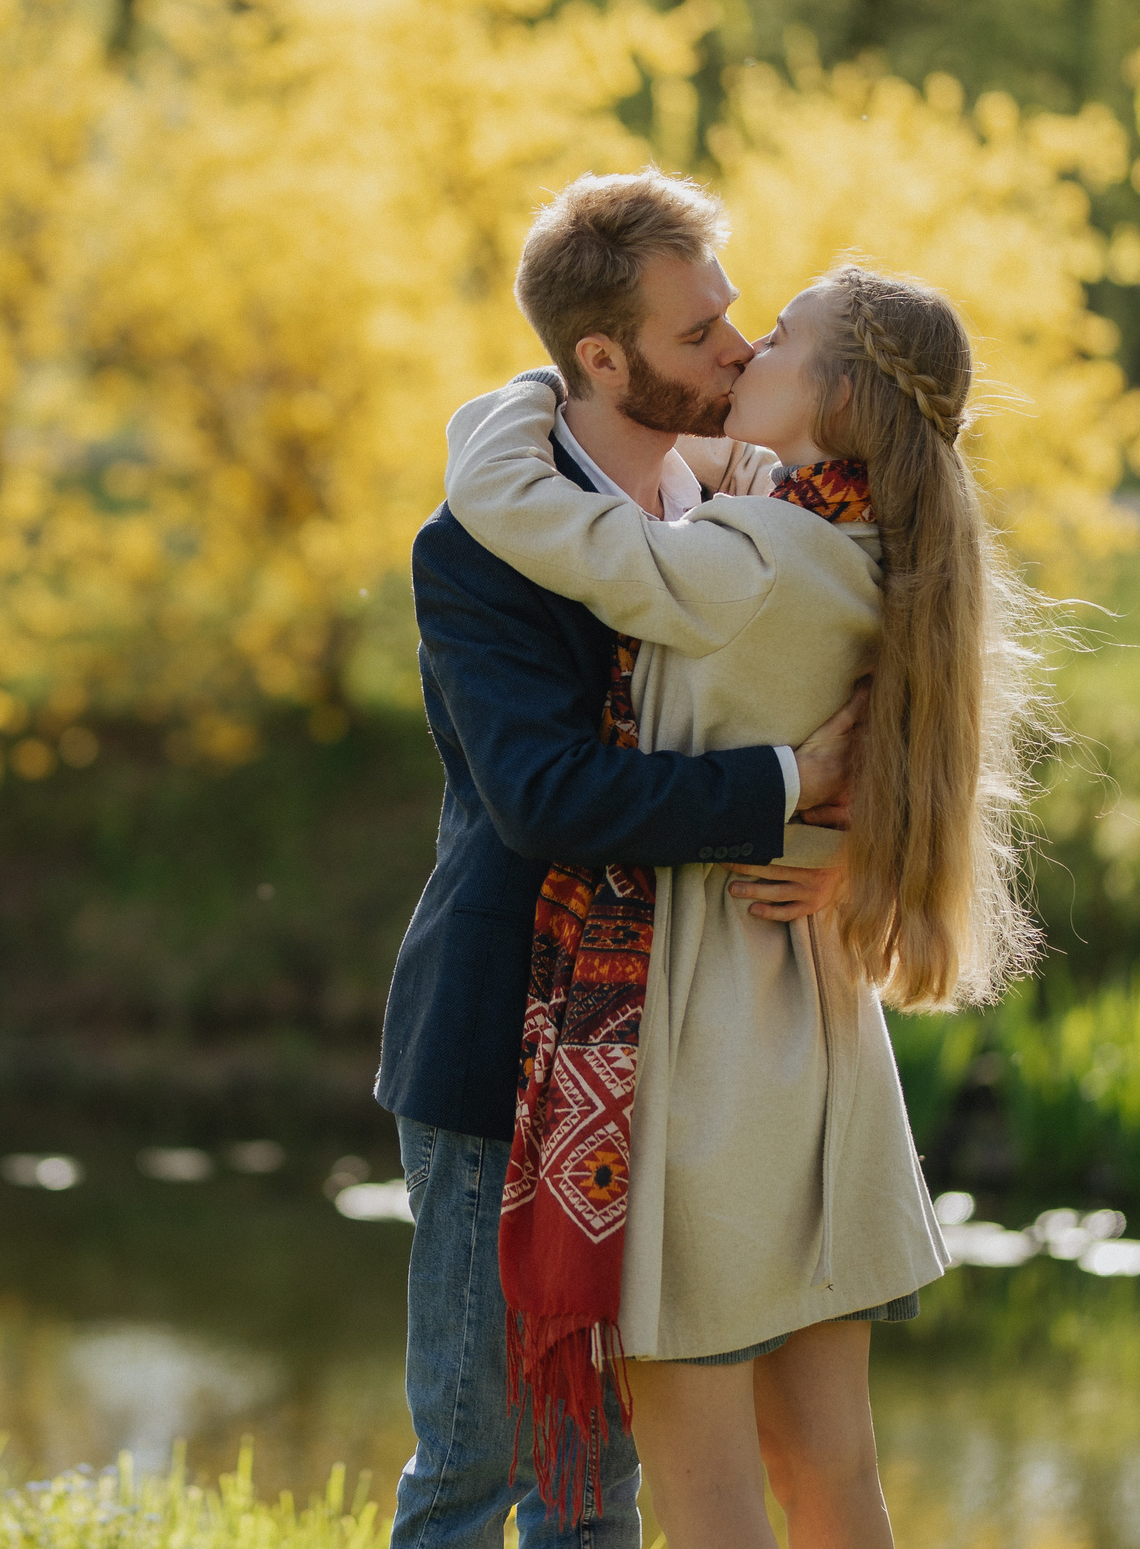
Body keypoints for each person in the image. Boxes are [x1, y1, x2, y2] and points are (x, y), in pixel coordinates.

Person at [443, 262, 1042, 1549]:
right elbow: (732, 494)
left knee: (704, 1483)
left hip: (704, 1035)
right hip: (812, 1028)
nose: (745, 347)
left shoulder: (753, 560)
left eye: (779, 336)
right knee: (829, 1467)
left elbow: (533, 516)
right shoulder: (875, 543)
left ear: (832, 393)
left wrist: (523, 397)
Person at [376, 168, 867, 1549]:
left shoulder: (745, 515)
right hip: (499, 1049)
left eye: (733, 318)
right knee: (476, 1464)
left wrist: (861, 823)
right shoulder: (483, 546)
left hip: (674, 1051)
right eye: (701, 332)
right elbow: (545, 795)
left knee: (597, 1485)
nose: (742, 349)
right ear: (602, 358)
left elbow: (898, 657)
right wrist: (787, 785)